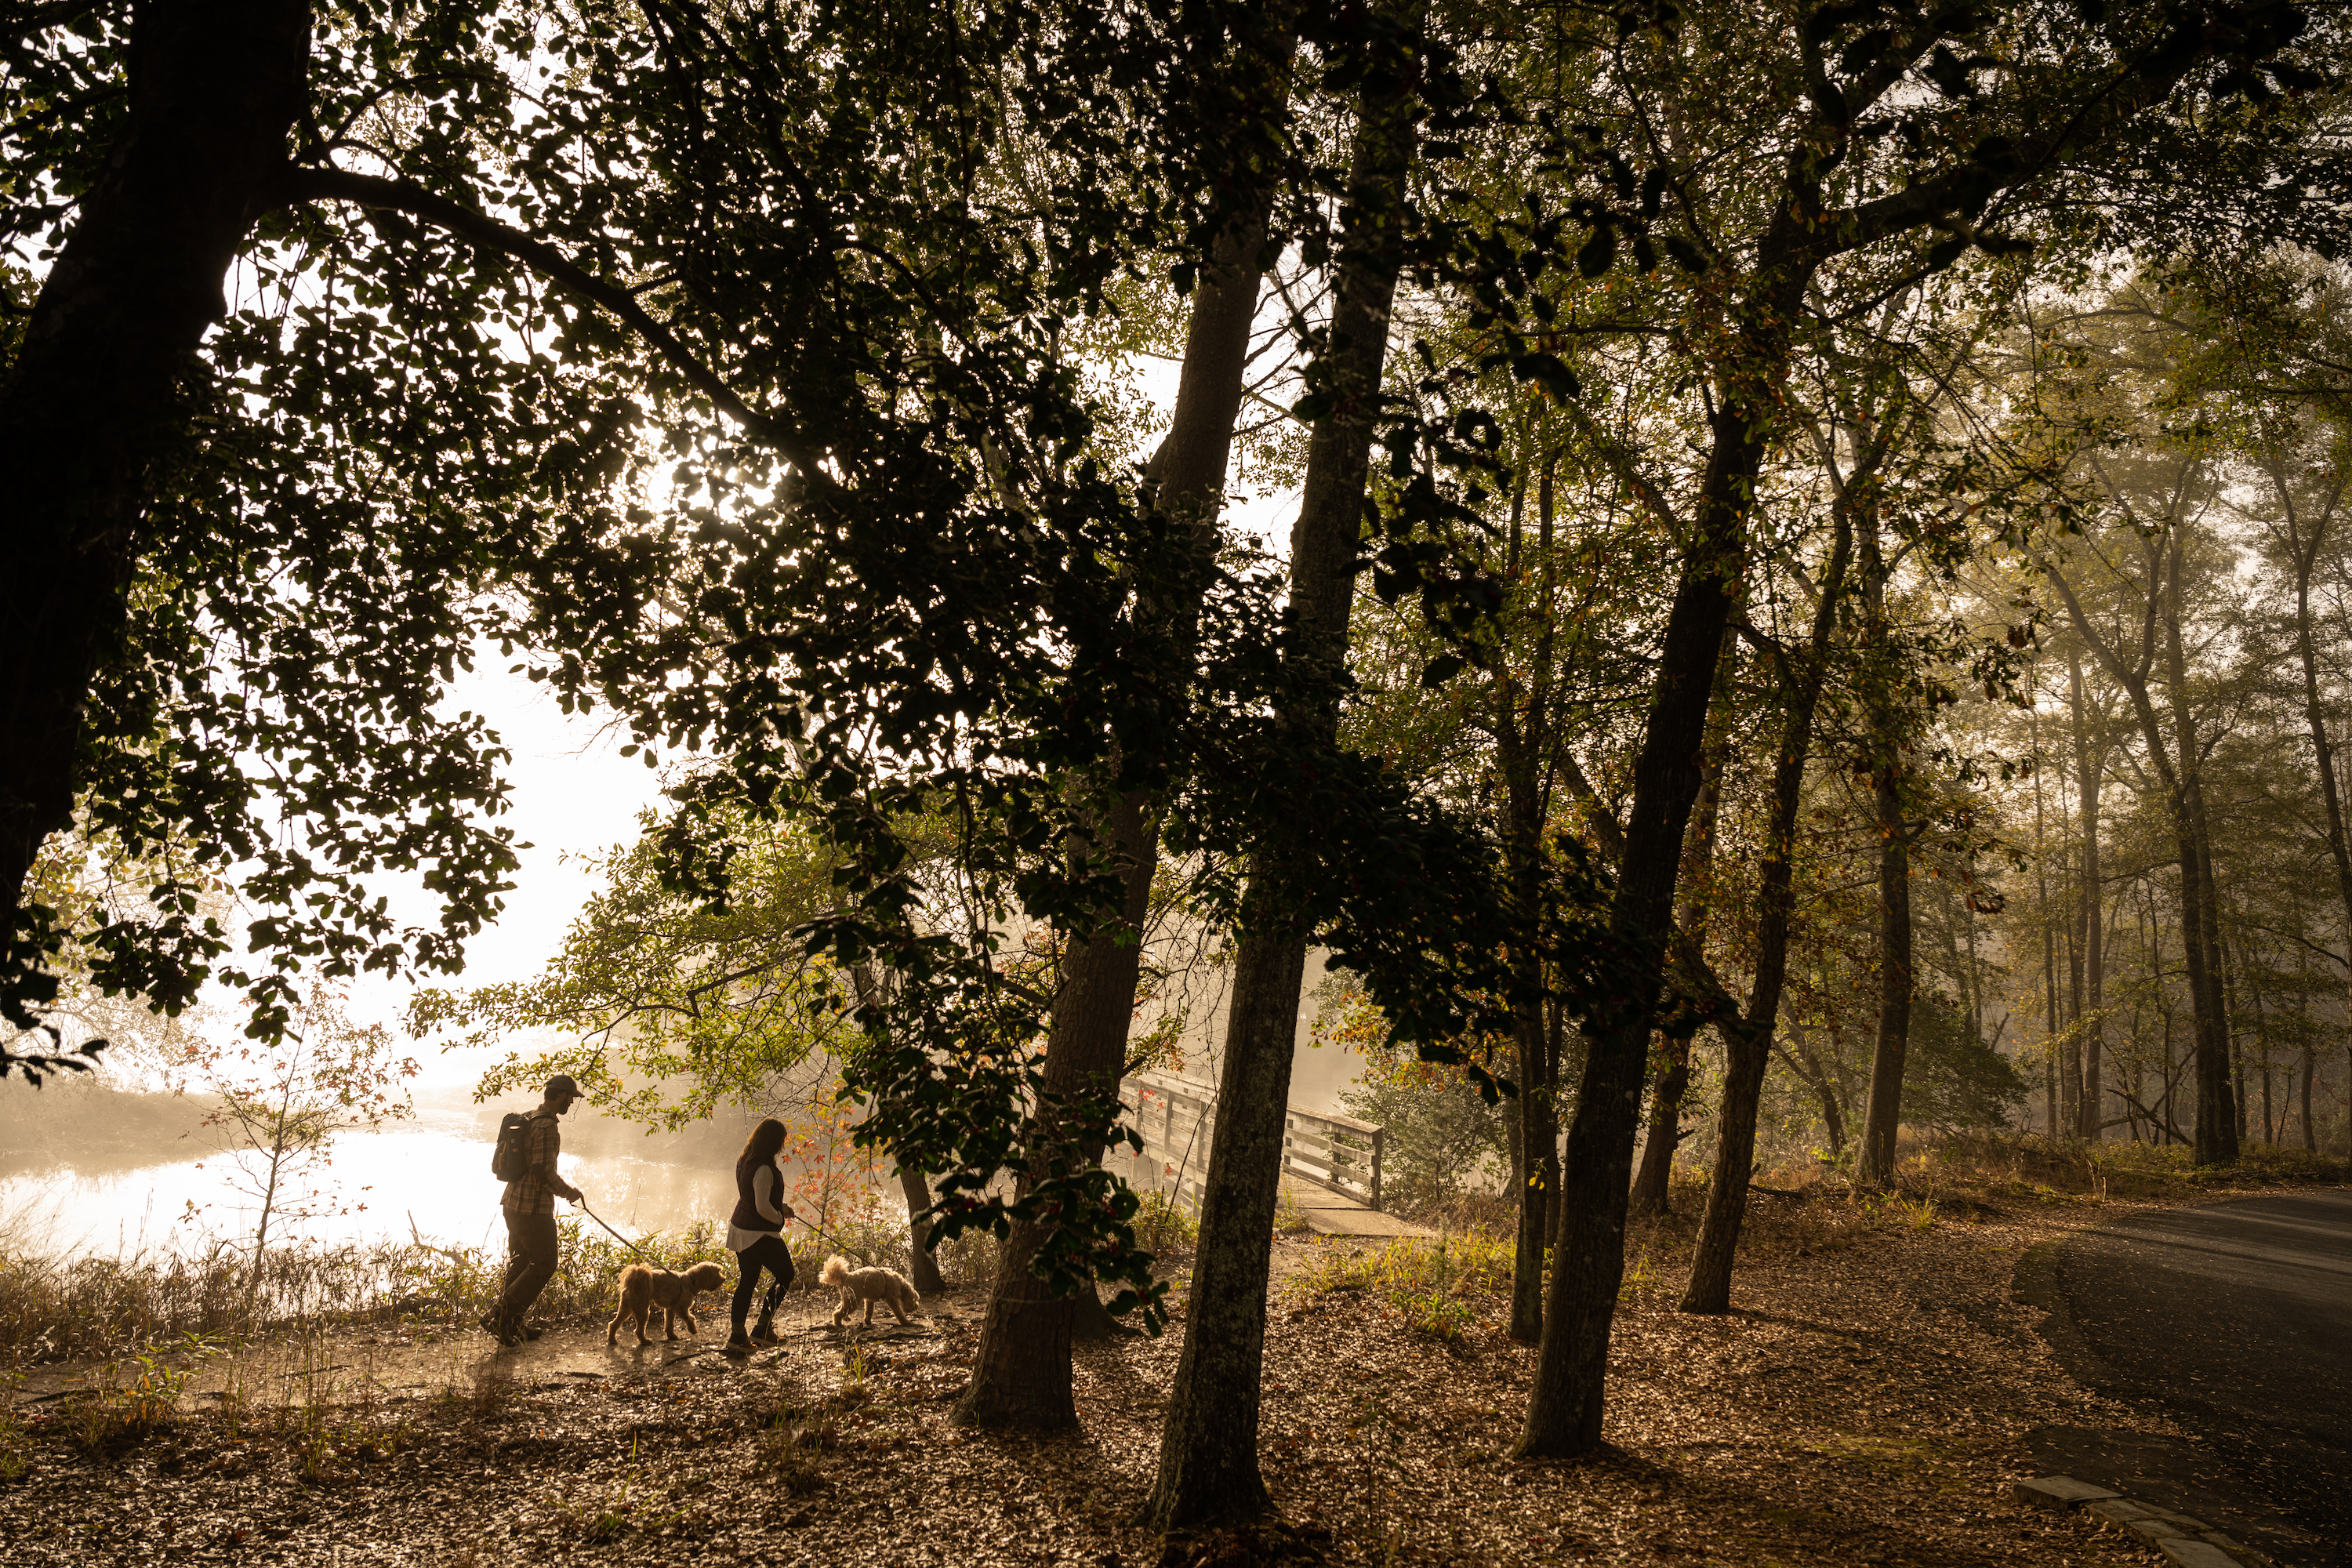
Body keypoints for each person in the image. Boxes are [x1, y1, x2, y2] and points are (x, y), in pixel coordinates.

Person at [487, 1073, 585, 1345]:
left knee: (521, 1263)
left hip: (512, 1204)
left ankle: (512, 1325)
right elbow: (543, 1172)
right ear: (562, 1096)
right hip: (533, 1209)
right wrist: (570, 1193)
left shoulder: (530, 1116)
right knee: (544, 1264)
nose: (571, 1104)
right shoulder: (548, 1127)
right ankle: (499, 1315)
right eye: (571, 1099)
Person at [724, 1117, 797, 1356]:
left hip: (741, 1228)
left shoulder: (745, 1159)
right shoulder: (765, 1169)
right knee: (786, 1274)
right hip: (757, 1232)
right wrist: (779, 1218)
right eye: (781, 1141)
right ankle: (761, 1330)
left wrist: (781, 1206)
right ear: (773, 1142)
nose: (782, 1146)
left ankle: (738, 1336)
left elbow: (756, 1197)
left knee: (747, 1281)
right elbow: (763, 1207)